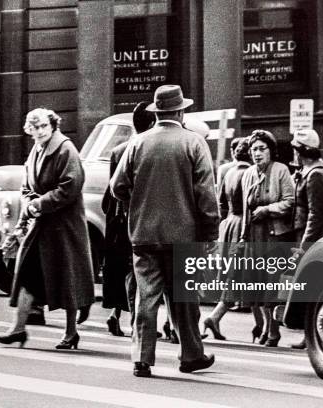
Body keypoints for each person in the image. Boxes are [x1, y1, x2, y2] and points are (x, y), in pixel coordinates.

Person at [110, 84, 219, 377]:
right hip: (184, 236)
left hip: (144, 234)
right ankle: (191, 355)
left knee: (145, 297)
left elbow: (117, 187)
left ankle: (142, 358)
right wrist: (210, 233)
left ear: (157, 112)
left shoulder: (138, 143)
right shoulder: (194, 143)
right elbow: (207, 195)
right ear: (181, 111)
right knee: (185, 298)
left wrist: (138, 202)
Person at [0, 108, 95, 349]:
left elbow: (71, 187)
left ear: (53, 126)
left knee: (67, 277)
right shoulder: (36, 151)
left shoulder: (65, 149)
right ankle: (18, 328)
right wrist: (29, 202)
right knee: (27, 274)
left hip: (64, 227)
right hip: (41, 225)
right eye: (34, 127)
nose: (39, 131)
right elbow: (27, 184)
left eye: (43, 127)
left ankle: (71, 332)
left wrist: (39, 203)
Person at [102, 101, 156, 336]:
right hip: (139, 217)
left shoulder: (117, 150)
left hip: (118, 219)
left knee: (123, 269)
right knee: (138, 271)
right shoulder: (148, 147)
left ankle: (115, 315)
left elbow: (112, 190)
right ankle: (137, 322)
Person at [241, 130, 294, 347]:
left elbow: (290, 201)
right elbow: (245, 209)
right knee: (256, 283)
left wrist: (267, 209)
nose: (257, 153)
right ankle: (264, 327)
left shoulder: (281, 171)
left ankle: (273, 331)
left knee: (271, 283)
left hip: (274, 235)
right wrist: (243, 236)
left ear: (271, 150)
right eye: (254, 149)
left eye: (262, 148)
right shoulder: (248, 174)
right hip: (255, 235)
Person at [202, 138, 251, 340]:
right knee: (242, 276)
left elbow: (221, 202)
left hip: (228, 224)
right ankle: (214, 317)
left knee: (235, 275)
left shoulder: (228, 172)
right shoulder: (249, 174)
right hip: (242, 225)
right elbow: (249, 205)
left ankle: (264, 328)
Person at [289, 129, 323, 349]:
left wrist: (304, 245)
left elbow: (315, 214)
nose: (293, 154)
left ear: (302, 151)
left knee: (312, 285)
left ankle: (312, 334)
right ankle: (308, 334)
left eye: (295, 149)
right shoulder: (308, 171)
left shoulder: (316, 174)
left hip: (314, 237)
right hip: (306, 234)